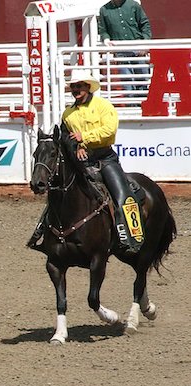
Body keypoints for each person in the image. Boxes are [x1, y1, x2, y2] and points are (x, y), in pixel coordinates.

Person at [28, 69, 143, 255]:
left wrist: (85, 138)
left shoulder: (104, 107)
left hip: (105, 159)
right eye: (73, 86)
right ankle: (41, 232)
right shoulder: (68, 114)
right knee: (60, 193)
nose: (76, 89)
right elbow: (66, 139)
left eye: (79, 86)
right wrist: (77, 146)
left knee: (122, 196)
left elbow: (110, 131)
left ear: (88, 87)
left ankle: (131, 238)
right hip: (81, 161)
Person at [98, 0, 151, 92]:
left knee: (143, 80)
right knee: (127, 83)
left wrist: (144, 44)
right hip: (120, 51)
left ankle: (143, 104)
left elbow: (145, 25)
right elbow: (103, 30)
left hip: (138, 49)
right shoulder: (104, 10)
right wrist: (106, 39)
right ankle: (131, 104)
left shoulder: (134, 5)